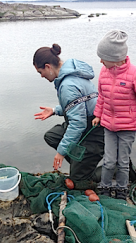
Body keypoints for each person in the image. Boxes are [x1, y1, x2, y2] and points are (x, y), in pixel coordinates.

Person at [92, 30, 136, 200]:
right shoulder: (103, 72)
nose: (100, 61)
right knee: (108, 160)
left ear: (114, 58)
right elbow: (102, 96)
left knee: (122, 162)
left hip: (128, 127)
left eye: (103, 57)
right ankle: (105, 187)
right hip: (108, 125)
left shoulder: (135, 74)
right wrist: (97, 114)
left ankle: (121, 189)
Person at [33, 44, 104, 187]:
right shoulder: (71, 73)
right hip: (87, 122)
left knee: (78, 182)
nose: (41, 76)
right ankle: (81, 163)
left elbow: (78, 124)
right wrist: (55, 110)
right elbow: (80, 105)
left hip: (94, 132)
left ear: (48, 66)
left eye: (40, 72)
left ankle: (114, 168)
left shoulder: (67, 85)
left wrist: (61, 153)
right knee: (52, 136)